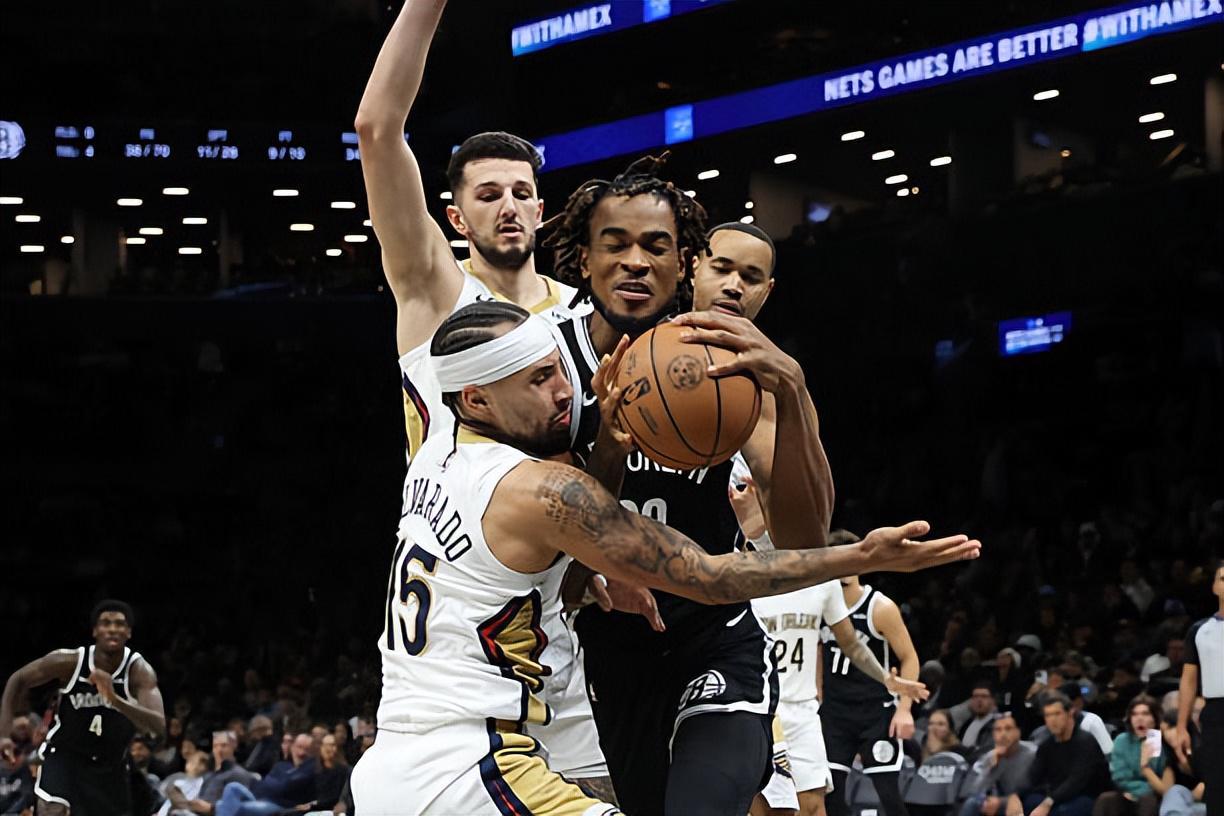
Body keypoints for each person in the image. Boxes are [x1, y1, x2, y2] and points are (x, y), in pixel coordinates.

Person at [350, 301, 980, 815]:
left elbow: (529, 574)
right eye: (538, 381)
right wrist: (859, 555)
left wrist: (609, 460)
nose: (565, 391)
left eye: (558, 369)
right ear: (477, 400)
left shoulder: (433, 453)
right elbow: (707, 576)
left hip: (394, 761)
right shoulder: (537, 489)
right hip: (469, 770)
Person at [353, 0, 609, 797]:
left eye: (521, 191)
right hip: (468, 606)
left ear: (542, 208)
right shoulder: (436, 292)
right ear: (455, 216)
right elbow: (376, 129)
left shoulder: (589, 317)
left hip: (572, 608)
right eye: (488, 193)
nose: (507, 205)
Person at [546, 156, 836, 814]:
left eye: (751, 278)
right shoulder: (558, 361)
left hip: (715, 637)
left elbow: (806, 540)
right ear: (694, 268)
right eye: (723, 268)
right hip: (610, 650)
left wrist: (792, 392)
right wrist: (609, 459)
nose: (733, 286)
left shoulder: (748, 377)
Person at [733, 475, 928, 816]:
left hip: (804, 712)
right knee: (765, 808)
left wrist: (885, 678)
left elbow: (850, 643)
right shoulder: (742, 574)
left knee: (813, 807)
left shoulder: (823, 582)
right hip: (762, 708)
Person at [0, 600, 166, 816]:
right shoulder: (70, 662)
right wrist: (4, 735)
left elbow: (158, 728)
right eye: (106, 623)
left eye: (119, 624)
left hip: (111, 763)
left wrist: (115, 699)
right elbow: (17, 679)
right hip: (65, 754)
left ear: (129, 632)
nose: (112, 629)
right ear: (95, 631)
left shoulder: (139, 672)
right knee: (52, 808)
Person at [819, 532, 925, 816]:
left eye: (848, 560)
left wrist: (904, 709)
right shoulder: (819, 604)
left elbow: (909, 657)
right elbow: (817, 654)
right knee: (830, 794)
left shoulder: (880, 607)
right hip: (835, 713)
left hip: (875, 712)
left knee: (887, 794)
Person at [1172, 560, 1222, 816]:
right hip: (1215, 712)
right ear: (1214, 587)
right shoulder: (1199, 630)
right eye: (1223, 578)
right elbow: (1189, 681)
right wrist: (1181, 726)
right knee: (1218, 786)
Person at [1010, 692, 1110, 816]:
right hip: (1056, 795)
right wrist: (1015, 794)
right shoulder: (1047, 745)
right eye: (1048, 715)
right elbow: (1032, 776)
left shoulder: (1086, 741)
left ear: (1070, 713)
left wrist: (1048, 802)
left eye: (1057, 714)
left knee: (1063, 811)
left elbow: (1076, 781)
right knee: (1029, 801)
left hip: (1086, 795)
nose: (1052, 720)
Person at [1092, 696, 1172, 816]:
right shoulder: (1122, 740)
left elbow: (1163, 782)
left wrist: (1145, 771)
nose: (1139, 718)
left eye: (1145, 714)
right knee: (1106, 799)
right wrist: (1138, 791)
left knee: (1148, 800)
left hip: (1155, 796)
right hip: (1126, 794)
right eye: (1134, 714)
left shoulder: (1161, 741)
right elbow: (1120, 777)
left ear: (1155, 718)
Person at [216, 734, 317, 816]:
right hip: (259, 797)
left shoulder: (309, 769)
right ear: (293, 747)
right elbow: (268, 785)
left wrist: (271, 784)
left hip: (280, 807)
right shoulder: (281, 765)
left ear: (313, 752)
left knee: (238, 808)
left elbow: (283, 787)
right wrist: (274, 784)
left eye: (307, 749)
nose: (301, 753)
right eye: (299, 747)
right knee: (231, 788)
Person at [960, 714, 1036, 816]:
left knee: (1033, 800)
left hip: (1027, 800)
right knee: (972, 803)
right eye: (998, 730)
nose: (1003, 734)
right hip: (1001, 801)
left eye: (1008, 729)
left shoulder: (1032, 753)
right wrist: (991, 768)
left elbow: (1028, 787)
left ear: (1018, 732)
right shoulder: (991, 756)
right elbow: (975, 791)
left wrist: (1003, 801)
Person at [959, 681, 1002, 758]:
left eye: (984, 696)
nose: (979, 700)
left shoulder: (1000, 724)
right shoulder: (968, 722)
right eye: (975, 696)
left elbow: (987, 753)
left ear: (993, 700)